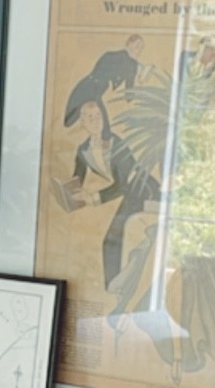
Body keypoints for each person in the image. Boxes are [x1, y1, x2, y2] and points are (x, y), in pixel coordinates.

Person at [52, 99, 160, 293]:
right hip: (130, 193)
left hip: (144, 191)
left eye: (98, 116)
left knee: (113, 238)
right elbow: (77, 179)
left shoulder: (116, 143)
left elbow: (123, 184)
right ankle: (114, 287)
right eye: (89, 118)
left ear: (104, 118)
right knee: (114, 240)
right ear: (82, 122)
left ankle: (116, 286)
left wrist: (93, 198)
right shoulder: (83, 150)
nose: (95, 121)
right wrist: (66, 193)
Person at [63, 34, 148, 131]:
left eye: (141, 47)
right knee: (70, 120)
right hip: (88, 87)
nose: (139, 50)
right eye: (137, 45)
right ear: (129, 44)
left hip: (95, 92)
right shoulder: (116, 57)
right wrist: (137, 68)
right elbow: (122, 63)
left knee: (96, 124)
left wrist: (139, 83)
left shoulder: (132, 65)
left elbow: (129, 96)